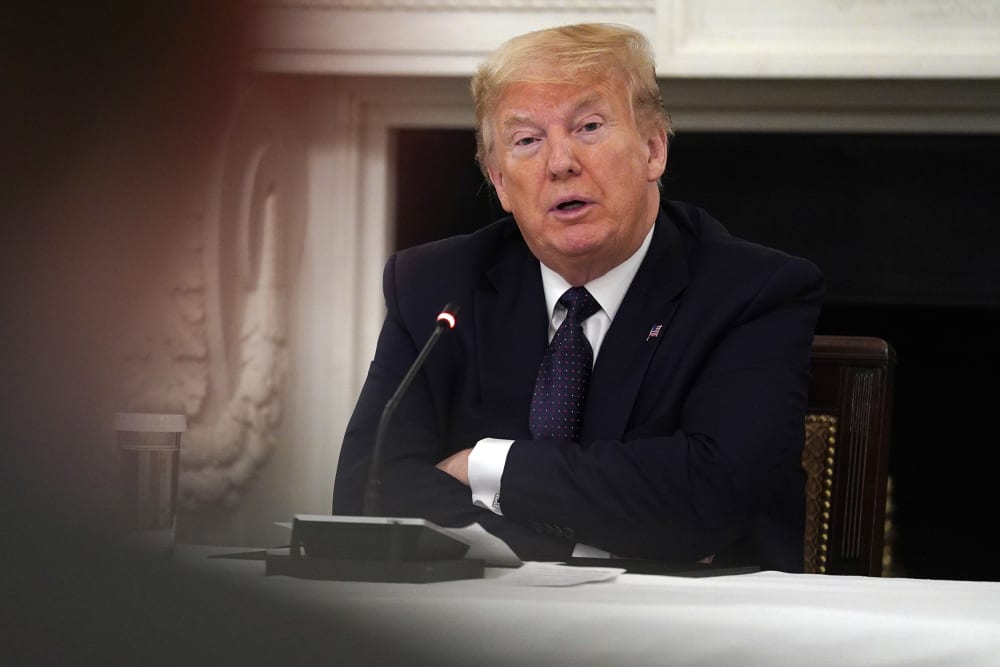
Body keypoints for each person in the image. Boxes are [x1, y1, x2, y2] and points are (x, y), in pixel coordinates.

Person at [333, 23, 824, 571]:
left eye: (588, 126)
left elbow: (707, 494)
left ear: (653, 149)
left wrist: (486, 466)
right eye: (526, 140)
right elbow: (369, 491)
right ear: (499, 181)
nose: (560, 162)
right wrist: (563, 553)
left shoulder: (751, 291)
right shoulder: (433, 284)